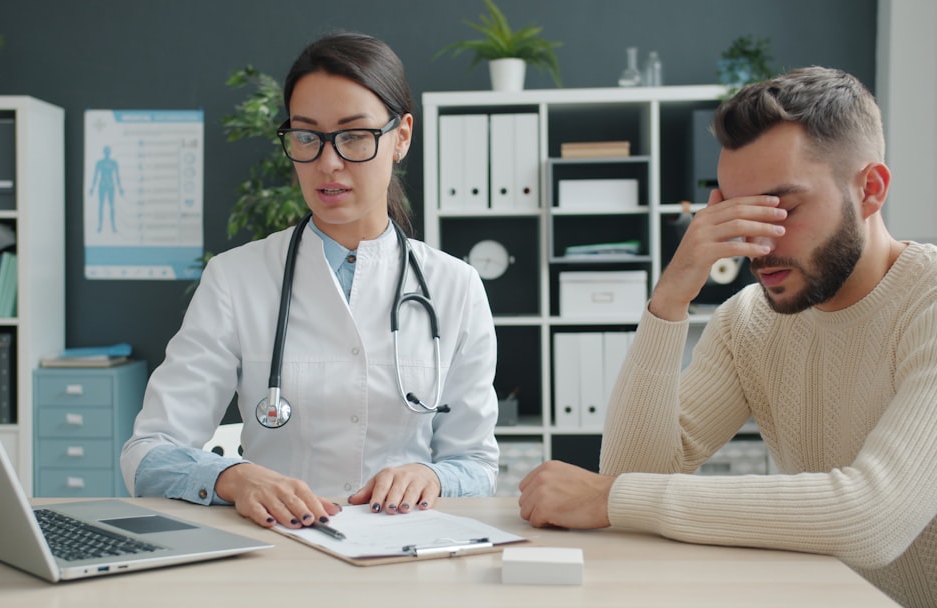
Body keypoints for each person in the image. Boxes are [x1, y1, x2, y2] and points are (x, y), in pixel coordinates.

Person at [518, 67, 936, 607]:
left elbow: (875, 517)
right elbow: (633, 475)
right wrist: (669, 300)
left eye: (782, 207)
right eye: (734, 210)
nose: (756, 243)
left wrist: (613, 497)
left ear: (870, 189)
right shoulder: (749, 321)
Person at [121, 32, 499, 532]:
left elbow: (476, 465)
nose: (328, 162)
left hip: (405, 548)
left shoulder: (456, 286)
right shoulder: (235, 278)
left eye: (354, 135)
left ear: (402, 137)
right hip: (275, 550)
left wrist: (430, 476)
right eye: (306, 136)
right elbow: (147, 454)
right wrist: (234, 476)